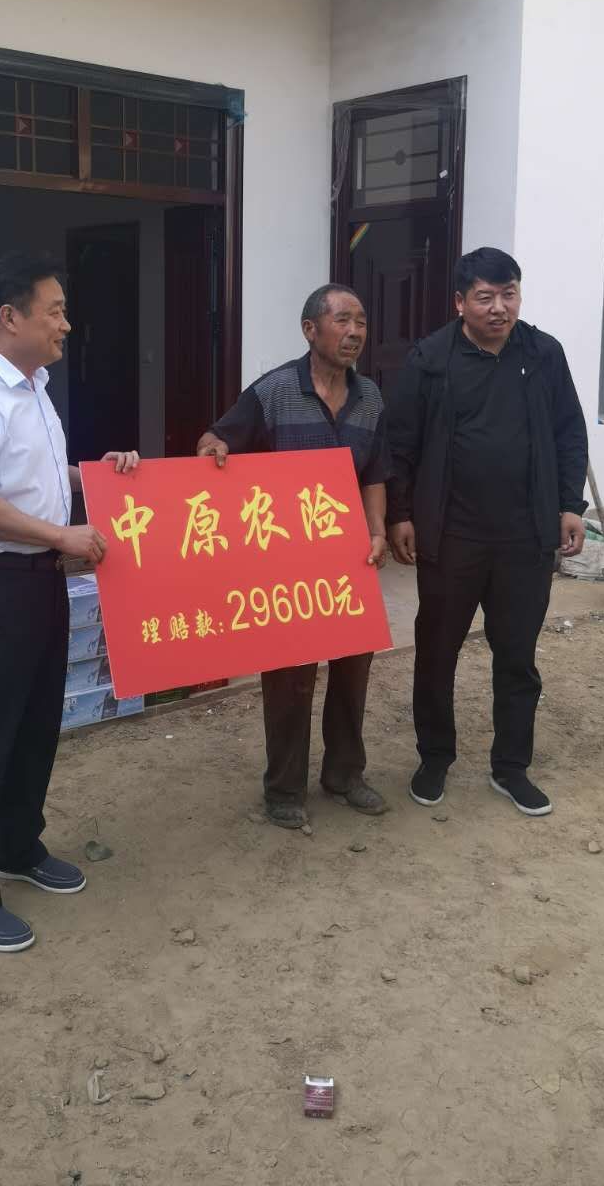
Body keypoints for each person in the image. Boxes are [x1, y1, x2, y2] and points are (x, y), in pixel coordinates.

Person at [0, 252, 138, 953]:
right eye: (55, 311)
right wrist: (61, 536)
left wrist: (98, 477)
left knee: (35, 725)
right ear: (10, 317)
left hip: (39, 579)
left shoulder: (33, 385)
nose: (66, 325)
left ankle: (18, 847)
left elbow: (33, 478)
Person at [386, 247, 587, 817]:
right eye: (485, 297)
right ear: (460, 302)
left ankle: (511, 767)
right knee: (437, 651)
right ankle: (434, 758)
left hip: (526, 536)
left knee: (517, 655)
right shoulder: (430, 359)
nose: (499, 308)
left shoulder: (543, 354)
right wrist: (401, 514)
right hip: (452, 536)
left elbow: (569, 432)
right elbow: (399, 443)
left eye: (508, 294)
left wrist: (569, 505)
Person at [197, 285, 390, 831]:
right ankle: (284, 788)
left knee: (353, 670)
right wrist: (214, 451)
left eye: (361, 322)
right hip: (287, 562)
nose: (354, 332)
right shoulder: (274, 391)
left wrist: (377, 530)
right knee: (289, 677)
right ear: (310, 330)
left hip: (349, 558)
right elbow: (215, 439)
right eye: (342, 320)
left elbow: (376, 473)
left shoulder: (371, 397)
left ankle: (344, 775)